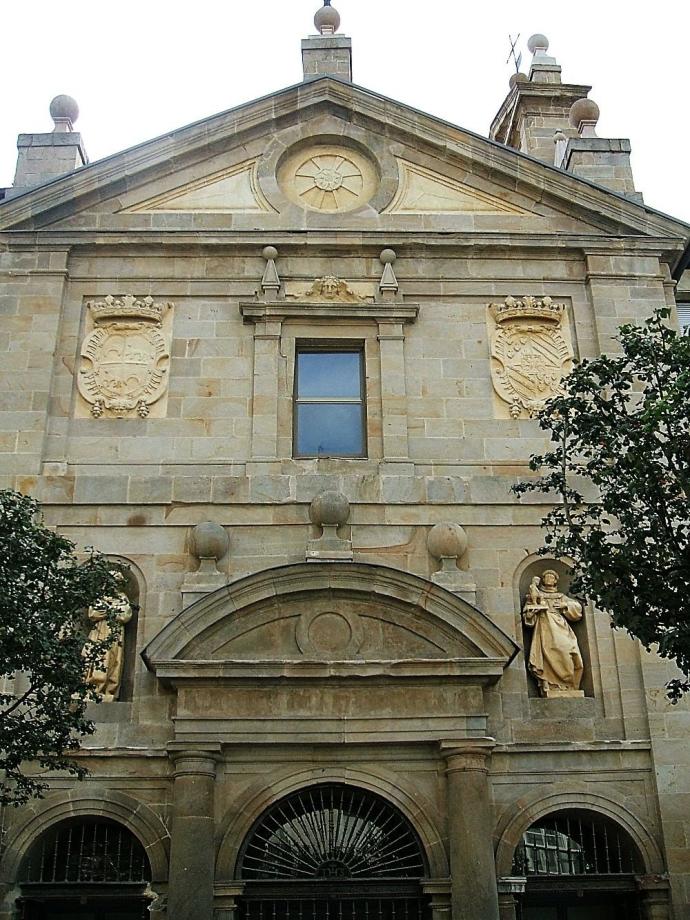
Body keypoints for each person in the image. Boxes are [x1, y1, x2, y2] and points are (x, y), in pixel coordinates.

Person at [522, 569, 584, 697]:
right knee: (549, 653)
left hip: (560, 626)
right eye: (546, 577)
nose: (549, 579)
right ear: (543, 580)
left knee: (569, 651)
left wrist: (564, 605)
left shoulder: (560, 596)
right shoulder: (536, 594)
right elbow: (528, 616)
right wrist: (531, 613)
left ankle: (569, 684)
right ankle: (550, 684)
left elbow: (577, 609)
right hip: (544, 628)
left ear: (556, 580)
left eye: (552, 577)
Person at [83, 584, 133, 701]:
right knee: (95, 656)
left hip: (114, 633)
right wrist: (113, 611)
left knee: (112, 658)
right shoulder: (100, 597)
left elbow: (125, 615)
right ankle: (92, 688)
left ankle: (108, 689)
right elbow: (93, 613)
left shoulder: (122, 598)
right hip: (98, 631)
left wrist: (107, 611)